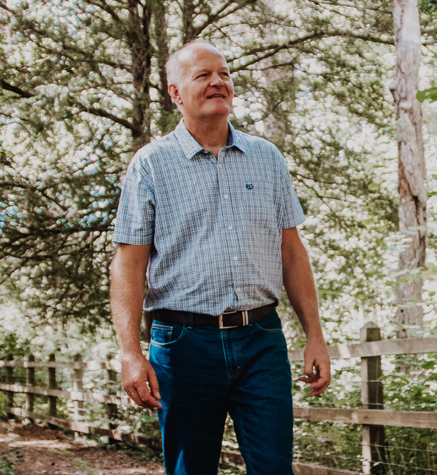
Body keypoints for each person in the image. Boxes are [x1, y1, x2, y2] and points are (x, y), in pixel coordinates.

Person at [109, 40, 331, 475]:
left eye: (224, 74)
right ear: (176, 93)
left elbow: (291, 252)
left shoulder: (266, 158)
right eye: (203, 75)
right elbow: (128, 264)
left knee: (275, 469)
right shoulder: (151, 164)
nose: (218, 82)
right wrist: (130, 352)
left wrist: (315, 335)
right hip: (182, 346)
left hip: (261, 340)